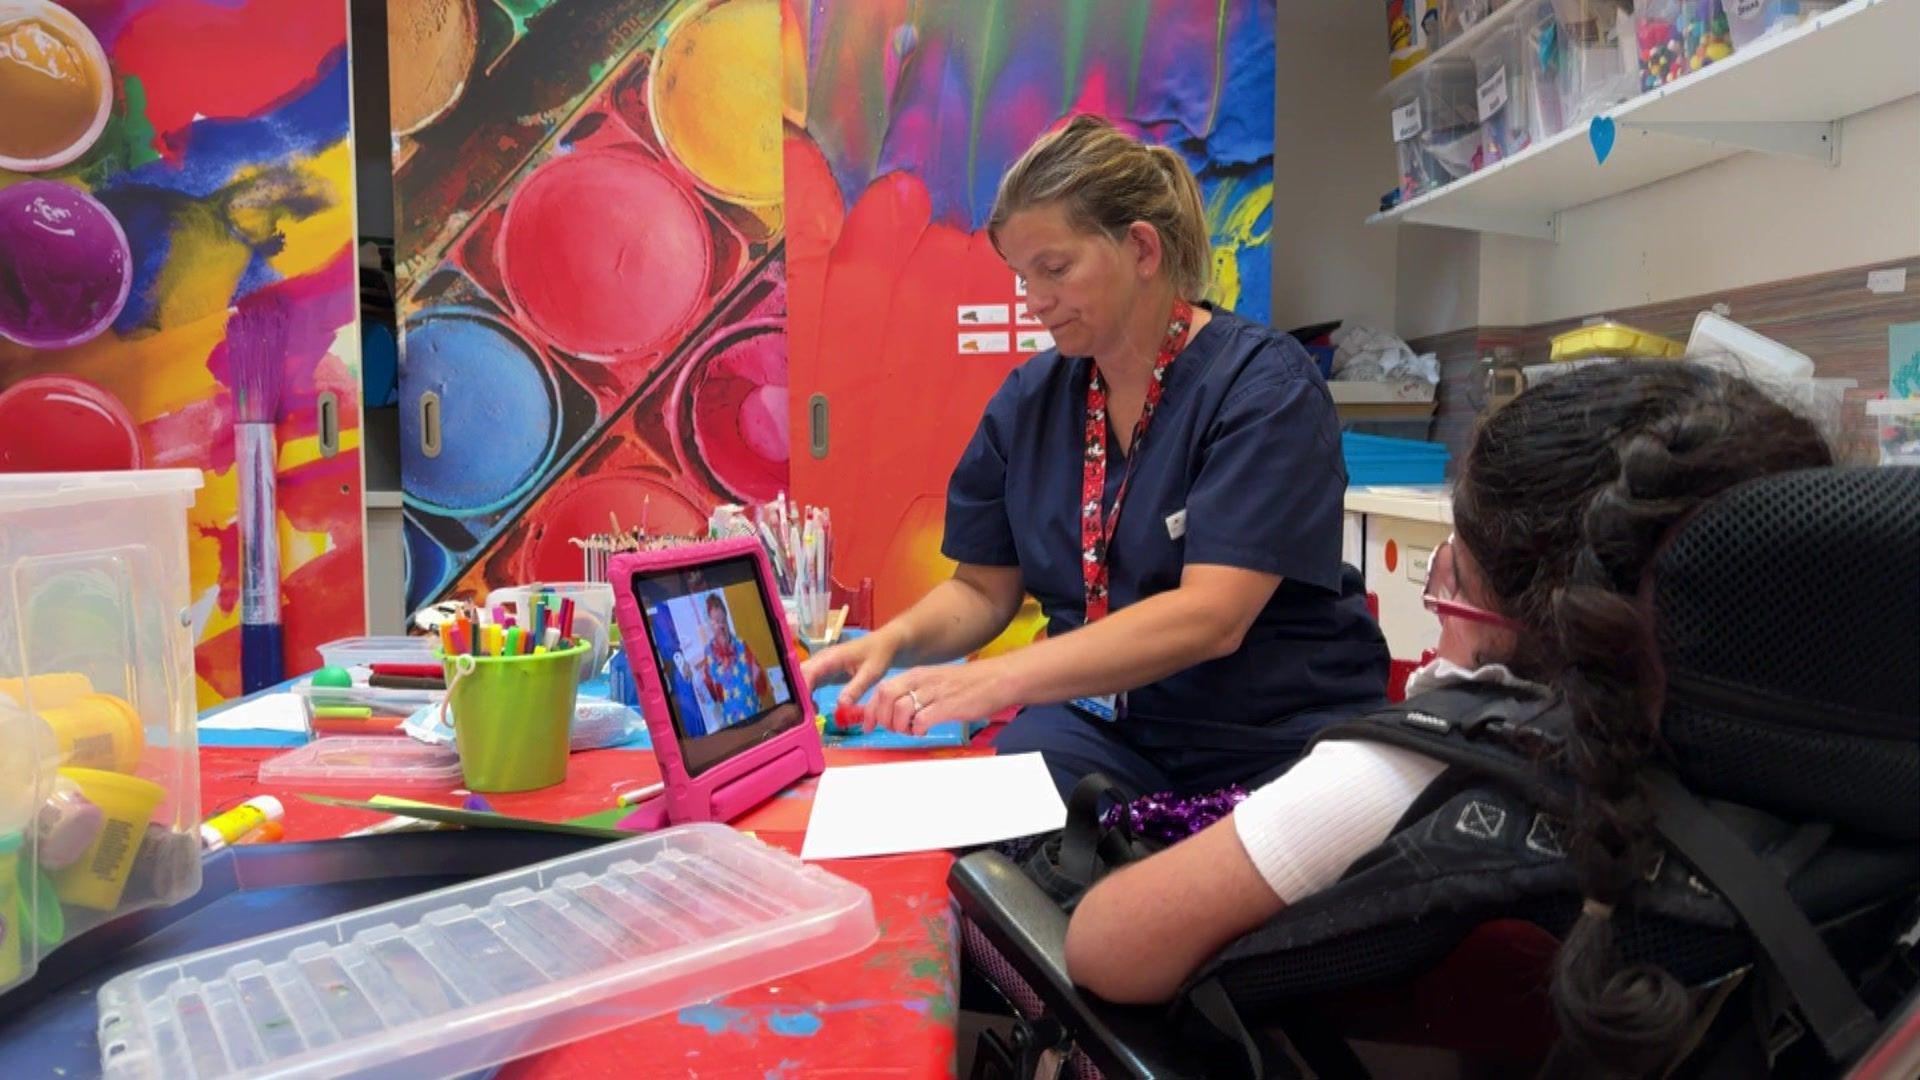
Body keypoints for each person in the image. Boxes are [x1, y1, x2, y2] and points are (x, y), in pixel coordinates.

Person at [1059, 361, 1837, 1074]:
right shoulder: (1844, 771)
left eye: (1452, 561)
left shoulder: (1417, 772)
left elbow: (1107, 948)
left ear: (1515, 605)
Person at [801, 115, 1388, 799]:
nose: (1035, 301)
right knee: (1020, 803)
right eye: (1023, 277)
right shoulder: (1031, 403)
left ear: (1142, 249)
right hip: (1111, 727)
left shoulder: (1264, 387)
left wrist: (992, 679)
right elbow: (982, 589)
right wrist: (894, 642)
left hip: (1272, 733)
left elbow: (1211, 616)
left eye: (1054, 269)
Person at [696, 593, 767, 728]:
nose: (721, 626)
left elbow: (761, 686)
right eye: (716, 622)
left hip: (754, 717)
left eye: (723, 620)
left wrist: (758, 673)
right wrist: (703, 692)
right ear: (709, 624)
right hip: (732, 725)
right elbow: (711, 695)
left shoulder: (741, 645)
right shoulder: (709, 653)